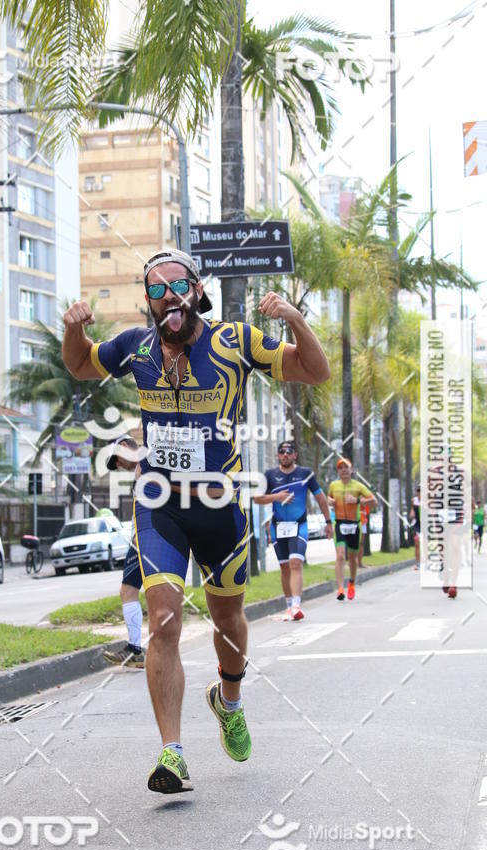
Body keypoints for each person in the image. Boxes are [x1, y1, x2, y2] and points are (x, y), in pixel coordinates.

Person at [62, 248, 330, 793]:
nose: (168, 298)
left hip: (221, 507)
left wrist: (296, 321)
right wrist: (73, 330)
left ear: (196, 289)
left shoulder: (234, 341)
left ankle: (228, 699)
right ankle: (172, 754)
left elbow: (314, 370)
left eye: (177, 286)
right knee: (163, 619)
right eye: (156, 290)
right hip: (159, 504)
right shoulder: (136, 348)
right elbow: (80, 362)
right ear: (149, 302)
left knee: (228, 623)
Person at [254, 441, 333, 621]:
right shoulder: (270, 475)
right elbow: (257, 498)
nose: (285, 455)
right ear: (277, 455)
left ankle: (297, 605)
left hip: (299, 525)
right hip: (278, 527)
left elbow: (320, 498)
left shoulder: (305, 474)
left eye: (289, 452)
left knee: (295, 563)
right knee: (284, 566)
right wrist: (276, 497)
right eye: (282, 452)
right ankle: (289, 605)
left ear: (295, 455)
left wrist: (329, 522)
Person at [102, 435, 146, 669]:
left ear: (125, 447)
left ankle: (135, 649)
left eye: (117, 459)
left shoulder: (144, 465)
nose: (119, 466)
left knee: (128, 590)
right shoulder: (148, 462)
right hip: (146, 536)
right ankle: (139, 648)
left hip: (145, 538)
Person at [327, 458, 377, 601]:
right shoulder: (333, 485)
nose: (343, 470)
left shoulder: (358, 486)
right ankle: (340, 588)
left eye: (346, 467)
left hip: (354, 524)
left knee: (353, 558)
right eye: (340, 468)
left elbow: (374, 502)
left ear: (351, 470)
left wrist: (357, 501)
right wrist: (329, 501)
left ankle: (352, 583)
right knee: (340, 555)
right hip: (339, 524)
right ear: (338, 471)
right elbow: (328, 498)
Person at [410, 485, 421, 570]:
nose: (419, 492)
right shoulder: (414, 500)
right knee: (417, 543)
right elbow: (412, 511)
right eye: (418, 491)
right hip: (416, 525)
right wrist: (412, 513)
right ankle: (418, 563)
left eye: (420, 491)